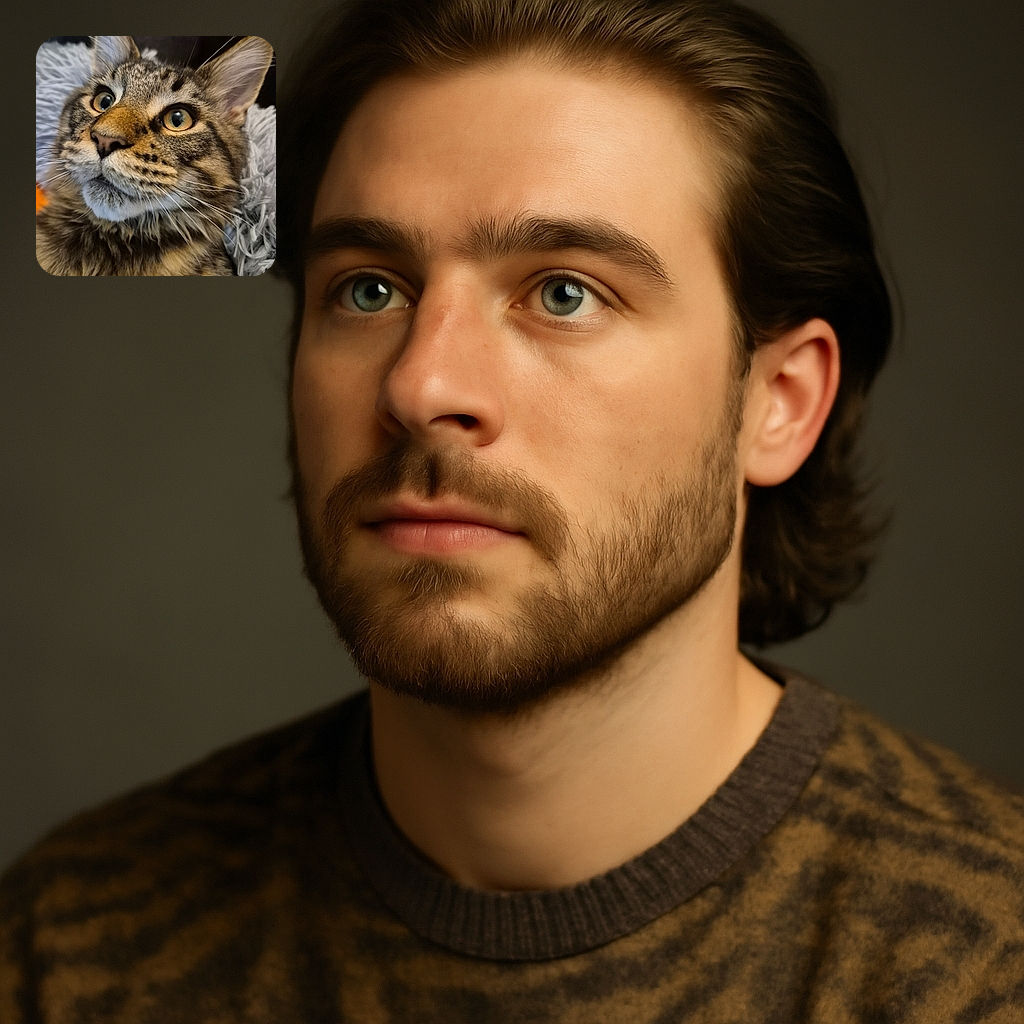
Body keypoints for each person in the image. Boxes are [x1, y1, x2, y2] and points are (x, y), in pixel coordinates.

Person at [3, 0, 1022, 1020]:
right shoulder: (70, 948)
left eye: (564, 292)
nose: (421, 384)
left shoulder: (988, 960)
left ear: (778, 402)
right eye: (367, 290)